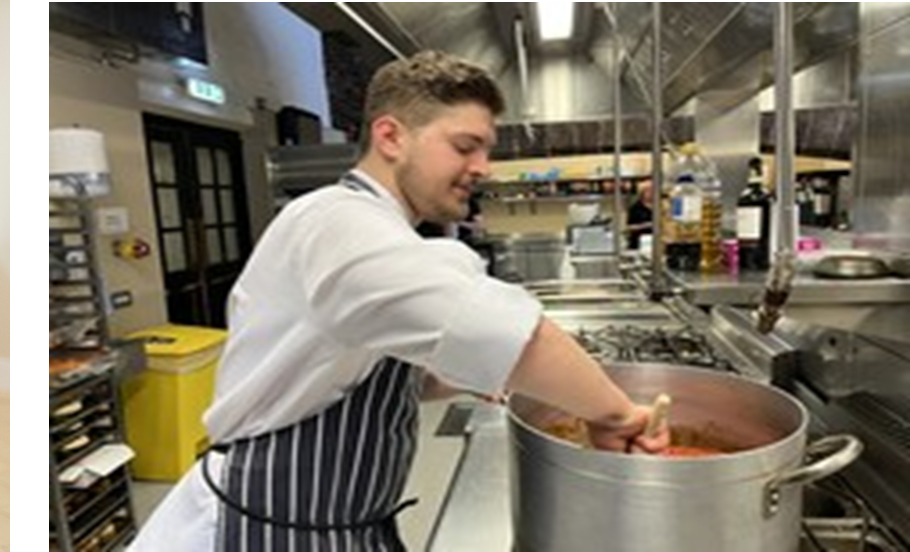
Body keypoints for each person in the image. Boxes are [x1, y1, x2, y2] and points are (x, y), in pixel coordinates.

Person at [130, 51, 669, 552]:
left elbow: (353, 373)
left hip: (339, 524)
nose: (483, 166)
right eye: (465, 146)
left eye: (486, 150)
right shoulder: (339, 221)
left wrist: (466, 375)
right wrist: (616, 413)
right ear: (390, 136)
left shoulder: (379, 230)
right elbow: (505, 332)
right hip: (276, 523)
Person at [626, 179, 655, 250]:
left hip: (656, 244)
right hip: (638, 244)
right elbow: (629, 227)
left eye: (653, 190)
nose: (652, 193)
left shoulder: (661, 205)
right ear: (642, 193)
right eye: (648, 190)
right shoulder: (635, 208)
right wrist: (647, 225)